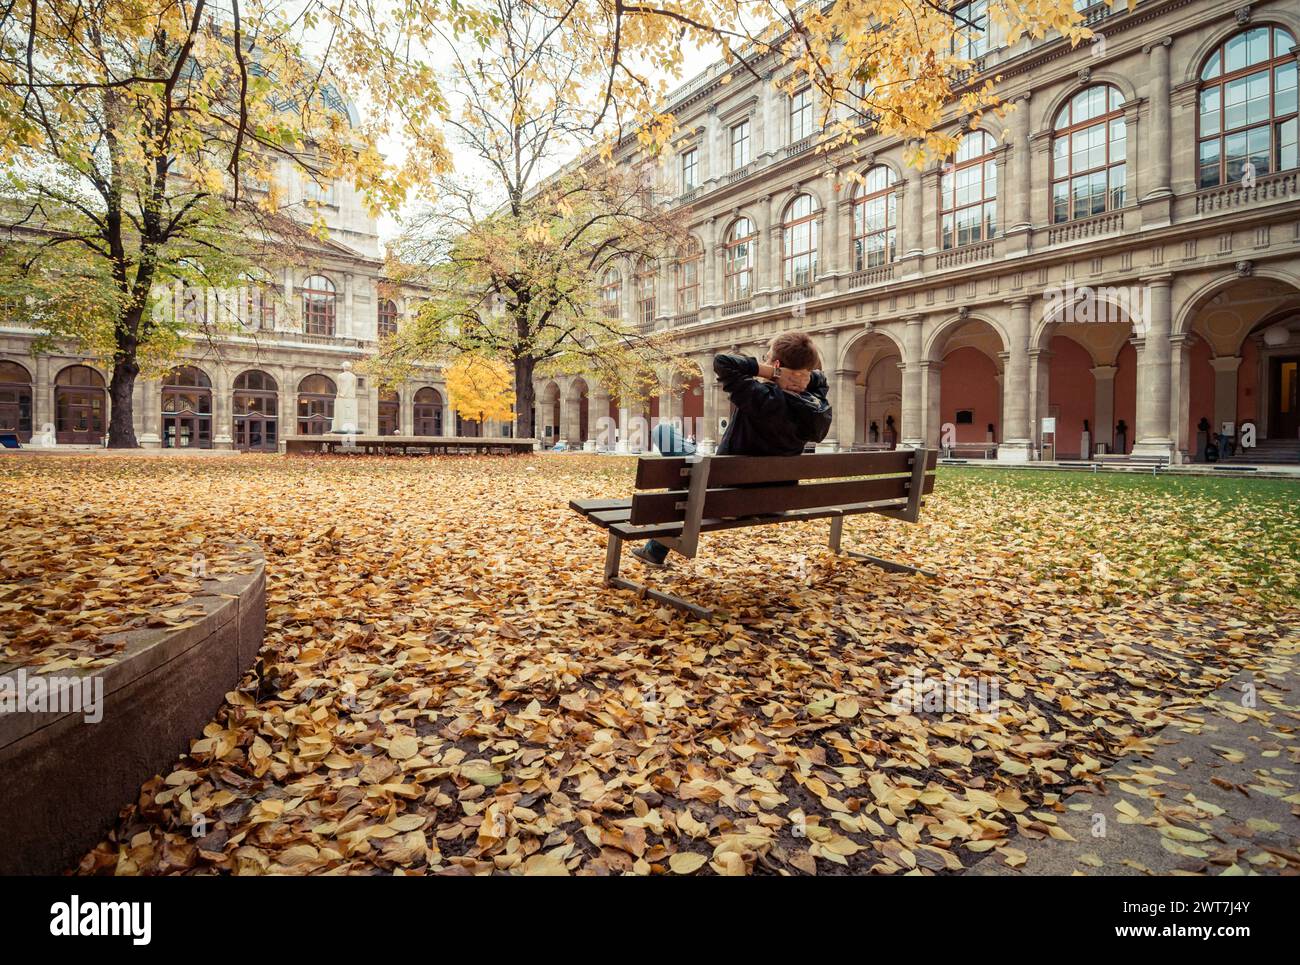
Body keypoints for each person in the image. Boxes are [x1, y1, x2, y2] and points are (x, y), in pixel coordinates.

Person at [631, 332, 833, 567]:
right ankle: (654, 550)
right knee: (690, 471)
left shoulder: (760, 396)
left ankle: (655, 551)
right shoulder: (815, 404)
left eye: (767, 359)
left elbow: (723, 362)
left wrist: (774, 373)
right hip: (777, 501)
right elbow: (822, 380)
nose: (765, 362)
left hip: (726, 496)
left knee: (665, 436)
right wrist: (803, 376)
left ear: (776, 365)